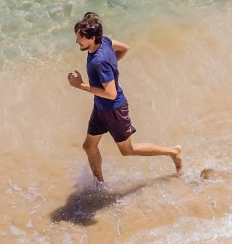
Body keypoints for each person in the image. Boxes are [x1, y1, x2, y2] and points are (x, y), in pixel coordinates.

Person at [67, 12, 181, 183]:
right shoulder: (104, 41)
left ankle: (173, 152)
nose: (77, 41)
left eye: (80, 38)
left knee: (127, 150)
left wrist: (81, 85)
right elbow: (125, 48)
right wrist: (112, 67)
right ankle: (100, 184)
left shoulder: (100, 62)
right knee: (89, 146)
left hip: (113, 110)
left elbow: (111, 94)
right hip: (100, 107)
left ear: (91, 38)